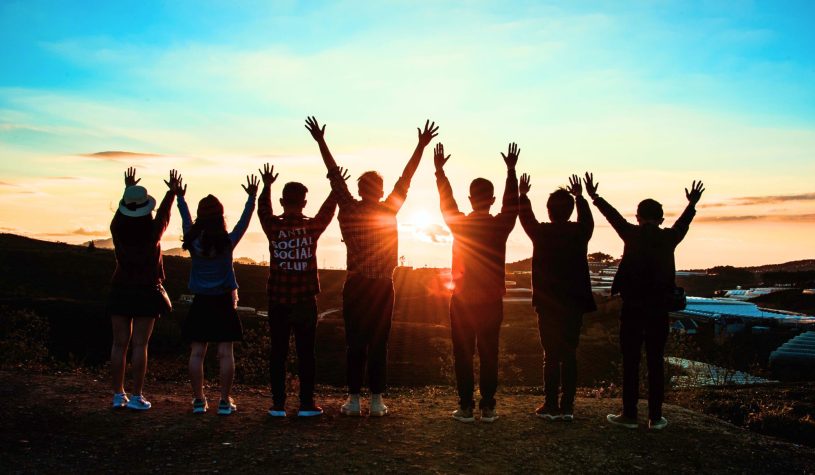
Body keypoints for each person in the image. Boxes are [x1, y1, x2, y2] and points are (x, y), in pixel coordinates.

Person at [305, 116, 438, 416]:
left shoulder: (349, 208)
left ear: (360, 188)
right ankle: (377, 401)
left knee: (355, 342)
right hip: (381, 287)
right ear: (379, 190)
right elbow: (407, 177)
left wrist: (321, 141)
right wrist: (420, 146)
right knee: (379, 343)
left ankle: (353, 400)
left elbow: (333, 174)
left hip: (356, 285)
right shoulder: (389, 207)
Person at [586, 174, 704, 430]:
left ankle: (629, 414)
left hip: (632, 308)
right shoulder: (669, 237)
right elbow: (683, 223)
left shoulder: (631, 234)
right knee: (655, 361)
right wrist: (692, 204)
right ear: (661, 219)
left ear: (638, 216)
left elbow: (613, 216)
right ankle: (655, 416)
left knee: (630, 360)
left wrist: (595, 197)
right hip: (659, 309)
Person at [434, 142, 519, 423]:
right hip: (492, 300)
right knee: (489, 353)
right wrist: (511, 171)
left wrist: (440, 173)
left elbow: (447, 203)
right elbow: (512, 206)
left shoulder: (459, 223)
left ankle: (466, 407)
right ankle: (489, 407)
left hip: (462, 299)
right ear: (491, 199)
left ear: (470, 199)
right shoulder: (500, 225)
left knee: (463, 355)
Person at [257, 163, 341, 418]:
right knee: (307, 354)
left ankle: (278, 404)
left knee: (278, 353)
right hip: (305, 300)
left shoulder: (273, 227)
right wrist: (335, 187)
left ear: (282, 201)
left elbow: (263, 210)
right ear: (305, 203)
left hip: (278, 300)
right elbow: (328, 211)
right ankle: (306, 403)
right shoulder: (312, 228)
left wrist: (267, 185)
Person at [176, 174, 258, 415]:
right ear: (220, 216)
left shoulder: (193, 241)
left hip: (201, 301)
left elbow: (185, 219)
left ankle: (199, 401)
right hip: (223, 302)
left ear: (201, 217)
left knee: (197, 352)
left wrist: (180, 197)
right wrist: (252, 198)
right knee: (225, 353)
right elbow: (244, 222)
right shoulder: (228, 242)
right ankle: (224, 401)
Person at [518, 173, 596, 422]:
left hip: (548, 303)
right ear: (571, 211)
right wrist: (581, 197)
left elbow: (525, 217)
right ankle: (568, 406)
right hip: (573, 303)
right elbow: (588, 221)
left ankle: (550, 404)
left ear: (549, 211)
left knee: (550, 355)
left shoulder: (541, 233)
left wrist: (523, 195)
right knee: (569, 353)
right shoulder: (580, 232)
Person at [107, 167, 180, 410]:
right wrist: (172, 192)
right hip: (146, 290)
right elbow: (165, 215)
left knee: (119, 344)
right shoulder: (152, 231)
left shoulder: (117, 228)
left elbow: (122, 213)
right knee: (140, 345)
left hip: (120, 288)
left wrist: (128, 189)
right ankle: (137, 395)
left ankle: (118, 394)